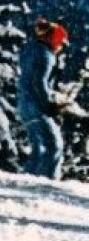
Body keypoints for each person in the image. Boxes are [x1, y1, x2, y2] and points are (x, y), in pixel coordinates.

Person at [18, 19, 75, 180]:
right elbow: (39, 83)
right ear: (54, 39)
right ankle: (48, 182)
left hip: (23, 103)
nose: (61, 47)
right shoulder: (46, 56)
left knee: (39, 148)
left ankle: (28, 178)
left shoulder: (30, 50)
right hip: (36, 106)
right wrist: (48, 105)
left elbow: (31, 79)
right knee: (54, 146)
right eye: (61, 43)